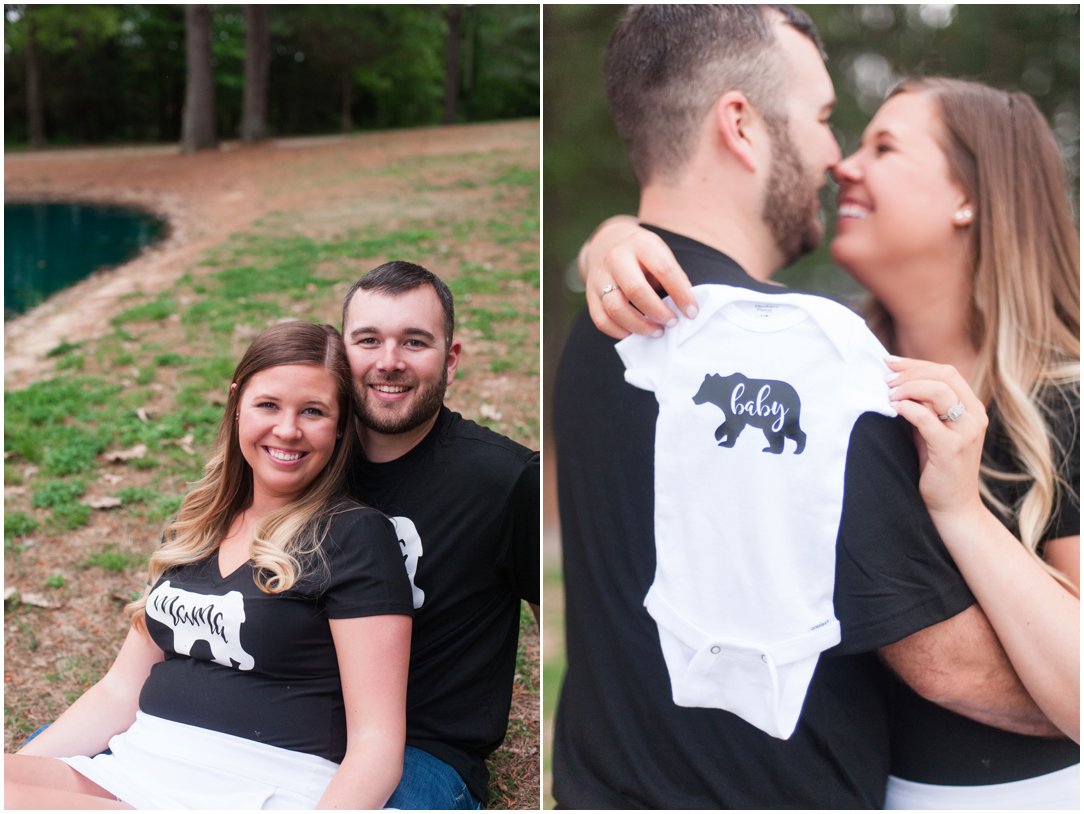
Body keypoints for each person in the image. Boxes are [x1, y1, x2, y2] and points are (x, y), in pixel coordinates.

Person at [553, 5, 1064, 809]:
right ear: (741, 125)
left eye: (880, 145)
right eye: (826, 119)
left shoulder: (603, 319)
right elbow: (951, 664)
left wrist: (615, 234)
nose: (838, 160)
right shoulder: (797, 355)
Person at [5, 321, 414, 810]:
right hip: (136, 766)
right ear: (237, 402)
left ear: (341, 426)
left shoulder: (355, 535)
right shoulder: (196, 525)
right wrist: (24, 773)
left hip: (257, 786)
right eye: (269, 405)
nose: (288, 429)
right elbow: (119, 690)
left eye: (313, 412)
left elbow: (377, 743)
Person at [341, 260, 540, 810]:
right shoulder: (308, 459)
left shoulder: (505, 480)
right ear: (342, 352)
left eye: (414, 342)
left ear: (450, 359)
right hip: (298, 729)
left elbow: (565, 622)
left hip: (422, 754)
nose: (389, 362)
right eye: (369, 340)